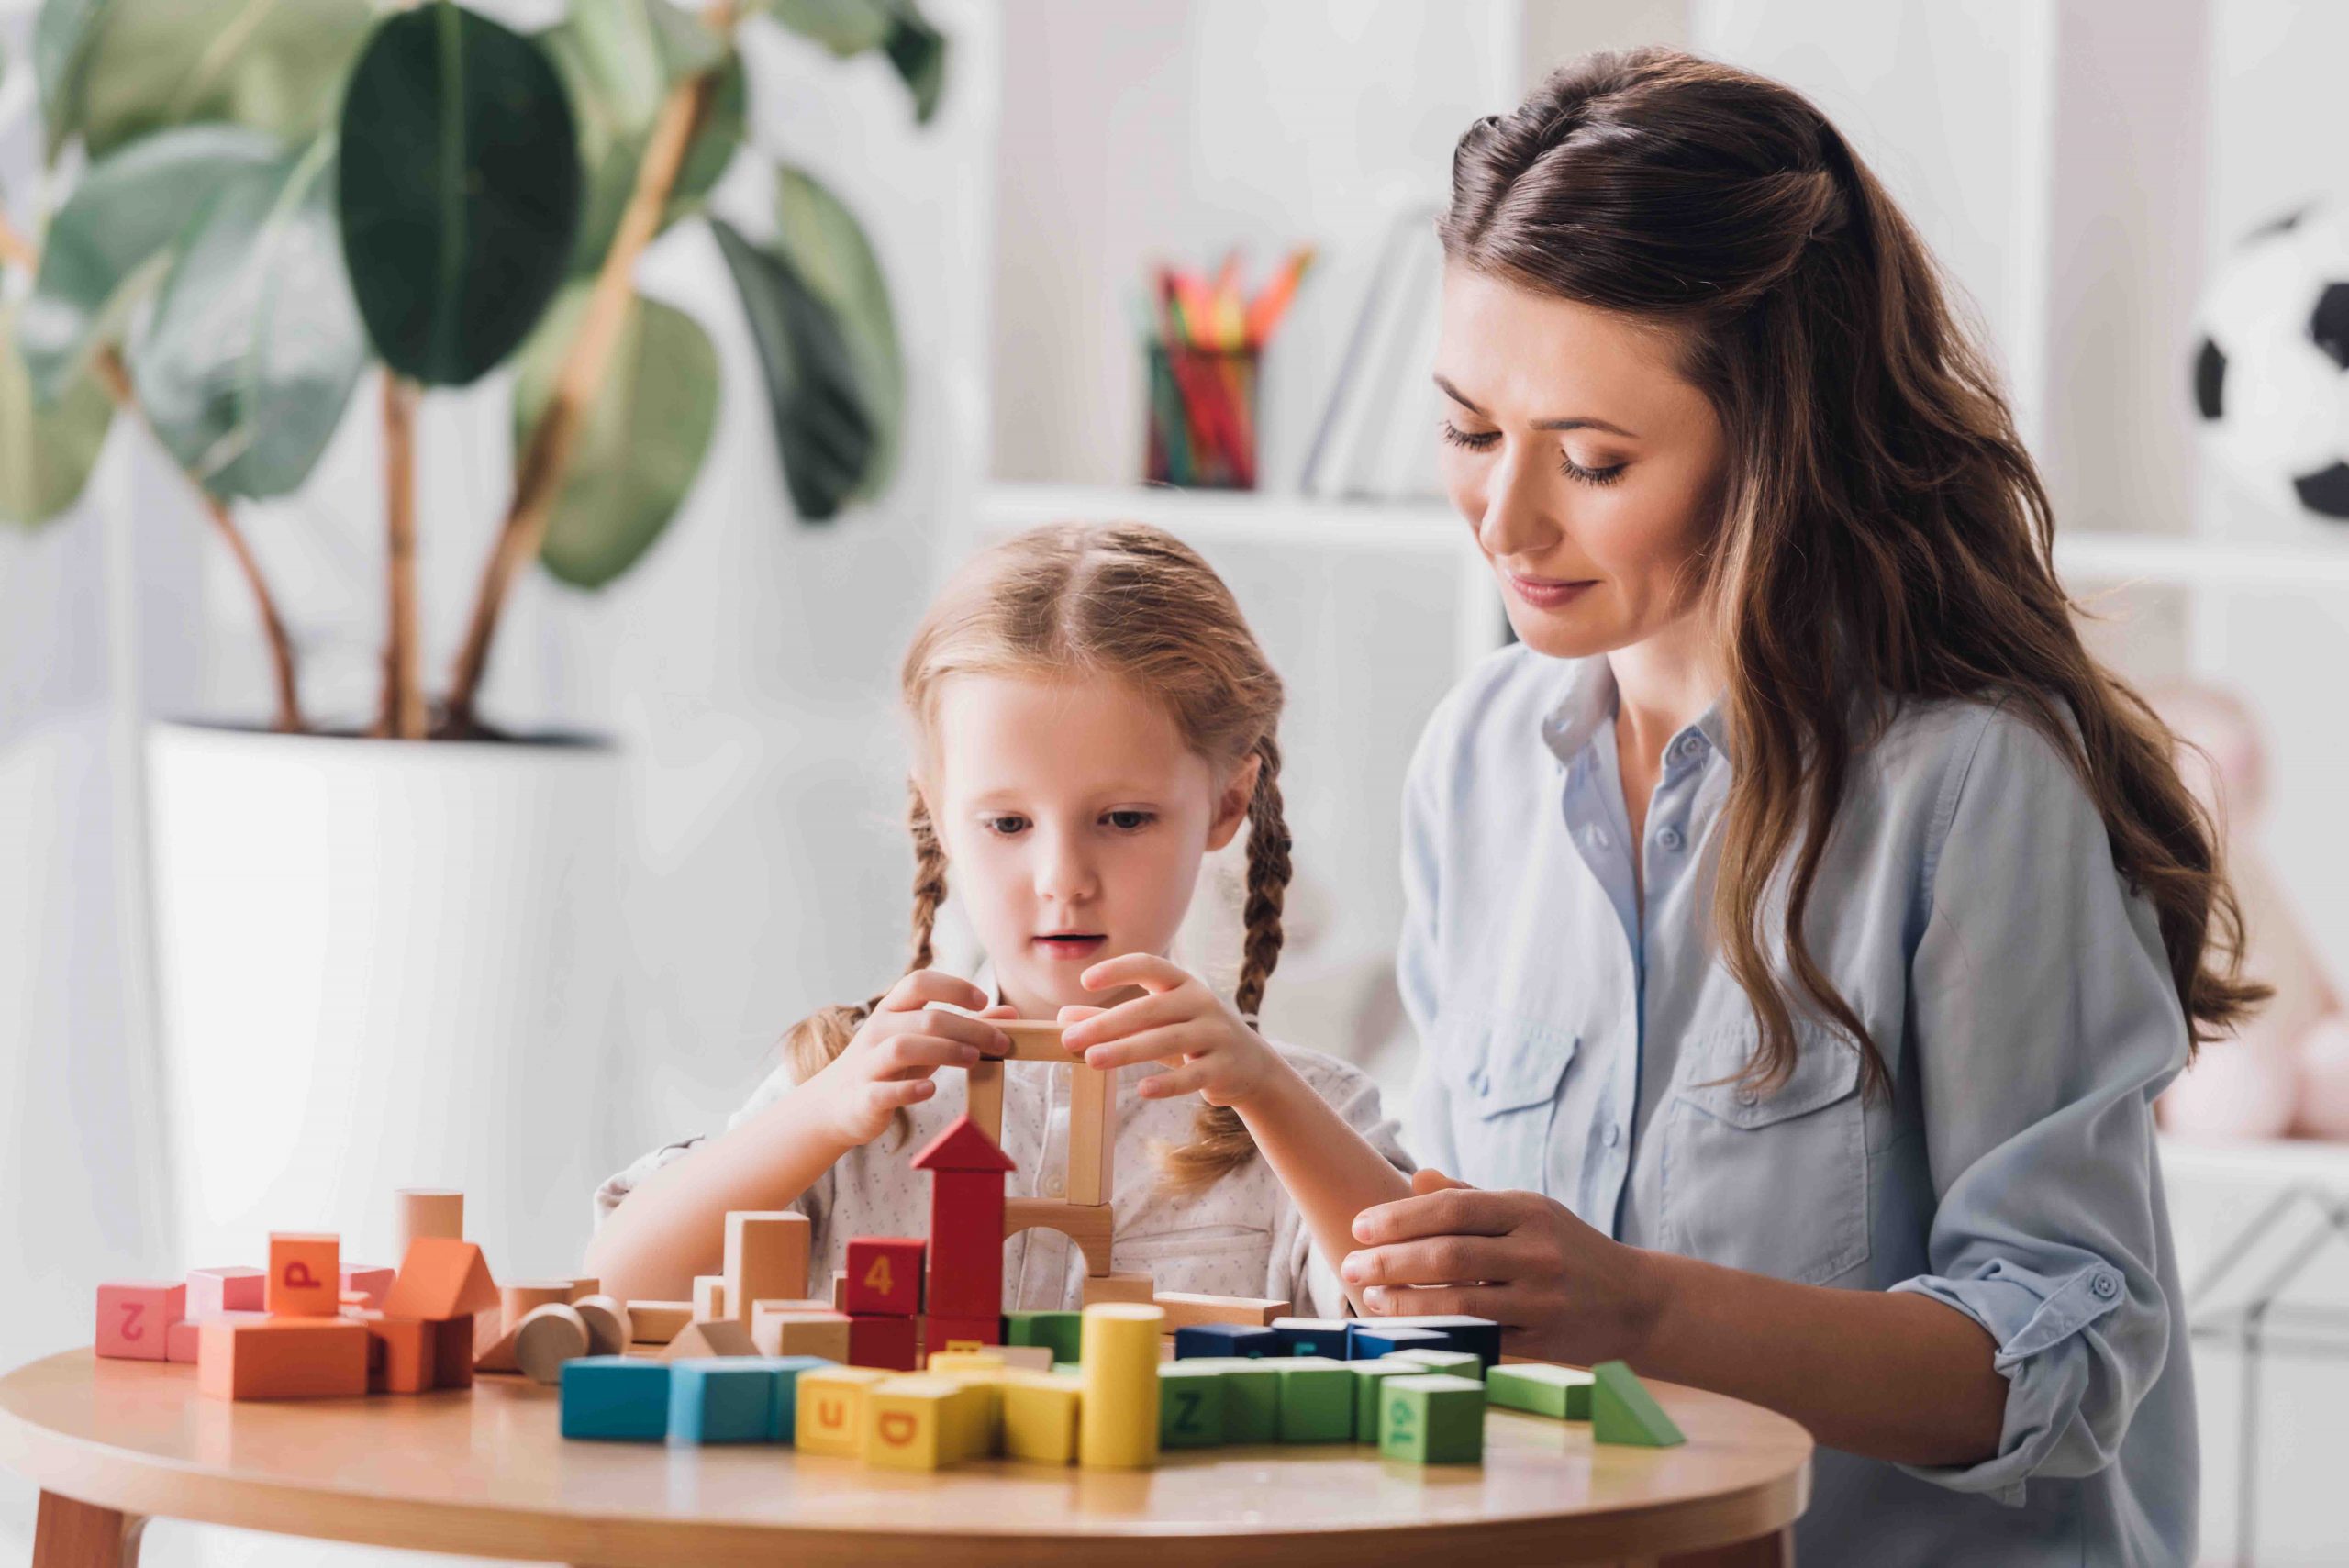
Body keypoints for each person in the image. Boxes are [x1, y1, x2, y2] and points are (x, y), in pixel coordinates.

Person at [1340, 48, 2258, 1565]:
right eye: (1467, 429)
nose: (1505, 517)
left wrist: (1638, 1305)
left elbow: (2065, 1362)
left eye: (1591, 457)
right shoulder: (1479, 756)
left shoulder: (1969, 786)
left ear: (1776, 441)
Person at [584, 522, 1414, 1317]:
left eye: (1124, 819)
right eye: (1008, 824)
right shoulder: (850, 1088)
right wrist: (826, 1114)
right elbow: (617, 1285)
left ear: (1227, 802)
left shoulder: (1305, 1112)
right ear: (938, 813)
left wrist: (1266, 1091)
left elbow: (1425, 1309)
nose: (1063, 879)